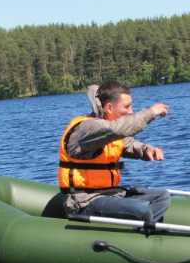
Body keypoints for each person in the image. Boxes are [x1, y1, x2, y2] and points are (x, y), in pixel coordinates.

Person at [58, 81, 170, 223]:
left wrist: (145, 149)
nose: (131, 111)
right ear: (109, 108)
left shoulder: (107, 130)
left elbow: (125, 143)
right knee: (140, 209)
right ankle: (142, 230)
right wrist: (151, 112)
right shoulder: (89, 127)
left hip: (111, 194)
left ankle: (143, 227)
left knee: (162, 197)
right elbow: (119, 129)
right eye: (127, 107)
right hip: (85, 201)